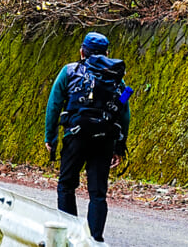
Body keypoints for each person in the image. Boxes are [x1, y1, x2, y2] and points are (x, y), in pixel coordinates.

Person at [45, 32, 131, 243]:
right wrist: (119, 147)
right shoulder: (118, 79)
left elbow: (54, 105)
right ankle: (94, 239)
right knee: (98, 193)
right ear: (107, 53)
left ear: (82, 51)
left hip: (76, 136)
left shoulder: (69, 71)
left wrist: (51, 138)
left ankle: (71, 236)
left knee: (66, 186)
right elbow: (124, 114)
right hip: (105, 140)